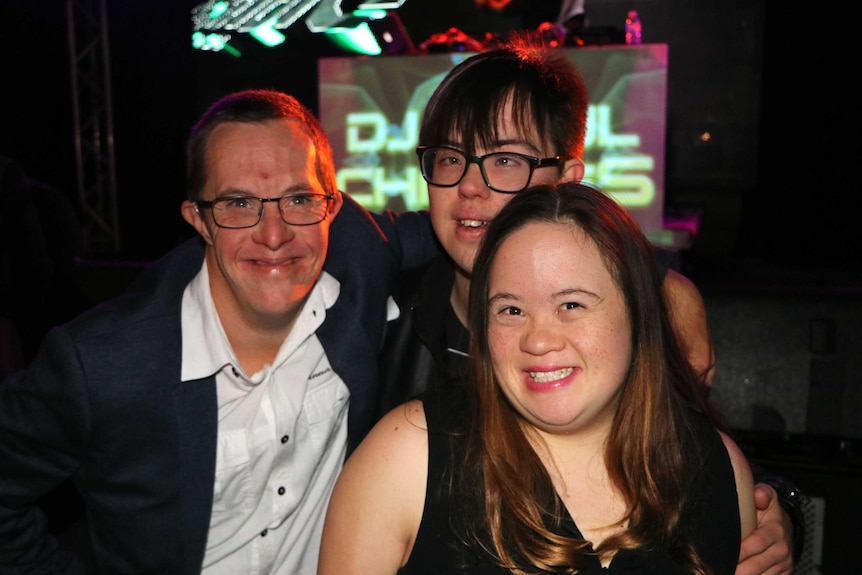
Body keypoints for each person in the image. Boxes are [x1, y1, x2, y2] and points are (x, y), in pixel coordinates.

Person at [376, 37, 800, 574]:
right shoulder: (379, 312)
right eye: (449, 158)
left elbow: (688, 449)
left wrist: (773, 510)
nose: (469, 188)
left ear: (568, 182)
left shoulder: (632, 314)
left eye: (505, 160)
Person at [0, 89, 439, 574]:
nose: (273, 235)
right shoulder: (103, 364)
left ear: (333, 208)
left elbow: (466, 223)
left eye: (298, 198)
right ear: (200, 220)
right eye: (238, 204)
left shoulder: (361, 256)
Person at [319, 181, 757, 574]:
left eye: (571, 305)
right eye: (511, 310)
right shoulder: (407, 457)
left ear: (638, 313)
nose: (539, 340)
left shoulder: (717, 469)